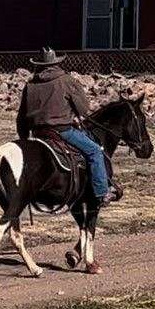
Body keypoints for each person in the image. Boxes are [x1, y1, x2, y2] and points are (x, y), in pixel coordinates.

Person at [17, 47, 117, 207]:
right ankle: (102, 192)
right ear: (56, 63)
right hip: (62, 131)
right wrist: (74, 114)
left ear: (39, 64)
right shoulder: (66, 80)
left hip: (38, 133)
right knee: (95, 151)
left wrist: (24, 138)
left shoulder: (30, 85)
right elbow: (84, 108)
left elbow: (21, 117)